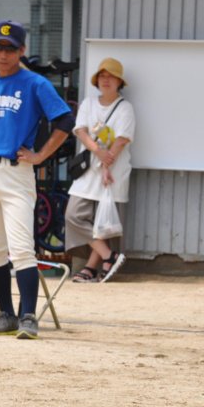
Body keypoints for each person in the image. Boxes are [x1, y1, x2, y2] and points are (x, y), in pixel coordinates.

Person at [0, 20, 74, 339]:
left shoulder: (35, 83)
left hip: (16, 170)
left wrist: (41, 155)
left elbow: (65, 120)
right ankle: (5, 314)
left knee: (22, 248)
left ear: (22, 50)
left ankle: (28, 316)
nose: (3, 54)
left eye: (10, 48)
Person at [65, 57, 134, 283]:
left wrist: (106, 164)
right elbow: (81, 131)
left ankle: (91, 268)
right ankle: (109, 255)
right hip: (88, 170)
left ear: (119, 81)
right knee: (73, 215)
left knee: (101, 222)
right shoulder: (88, 103)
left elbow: (121, 140)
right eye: (102, 76)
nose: (106, 80)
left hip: (113, 171)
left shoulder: (125, 108)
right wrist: (98, 152)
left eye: (111, 76)